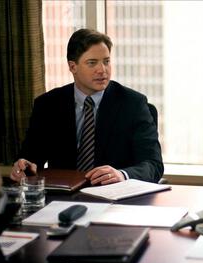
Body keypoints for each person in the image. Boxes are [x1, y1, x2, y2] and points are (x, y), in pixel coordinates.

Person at [10, 28, 163, 185]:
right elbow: (31, 156)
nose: (102, 70)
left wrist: (122, 175)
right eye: (92, 63)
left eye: (106, 61)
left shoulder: (133, 104)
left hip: (114, 198)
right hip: (63, 197)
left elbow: (153, 164)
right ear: (73, 67)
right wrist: (25, 165)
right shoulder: (48, 104)